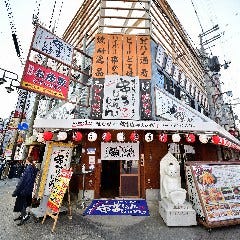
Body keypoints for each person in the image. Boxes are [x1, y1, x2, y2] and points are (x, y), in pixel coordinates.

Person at [12, 156, 38, 226]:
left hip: (24, 190)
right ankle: (22, 216)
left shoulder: (28, 168)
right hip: (29, 189)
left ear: (28, 161)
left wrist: (16, 191)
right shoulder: (33, 168)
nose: (25, 161)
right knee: (24, 203)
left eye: (26, 160)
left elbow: (23, 181)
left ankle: (25, 216)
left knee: (21, 203)